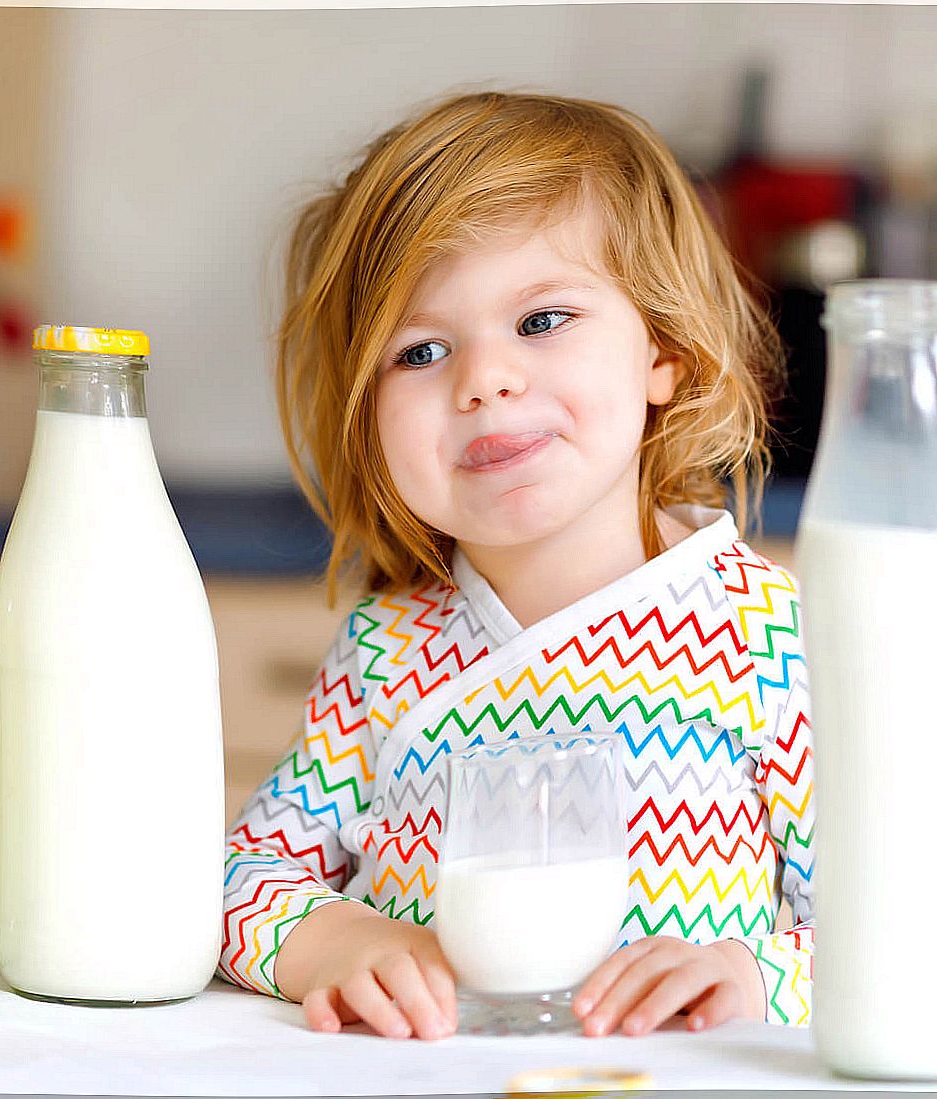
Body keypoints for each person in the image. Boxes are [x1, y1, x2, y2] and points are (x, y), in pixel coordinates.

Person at [217, 90, 814, 1041]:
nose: (484, 378)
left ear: (665, 351)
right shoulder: (385, 654)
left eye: (541, 322)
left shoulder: (761, 634)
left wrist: (747, 975)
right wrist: (334, 940)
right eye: (420, 349)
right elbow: (243, 883)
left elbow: (887, 928)